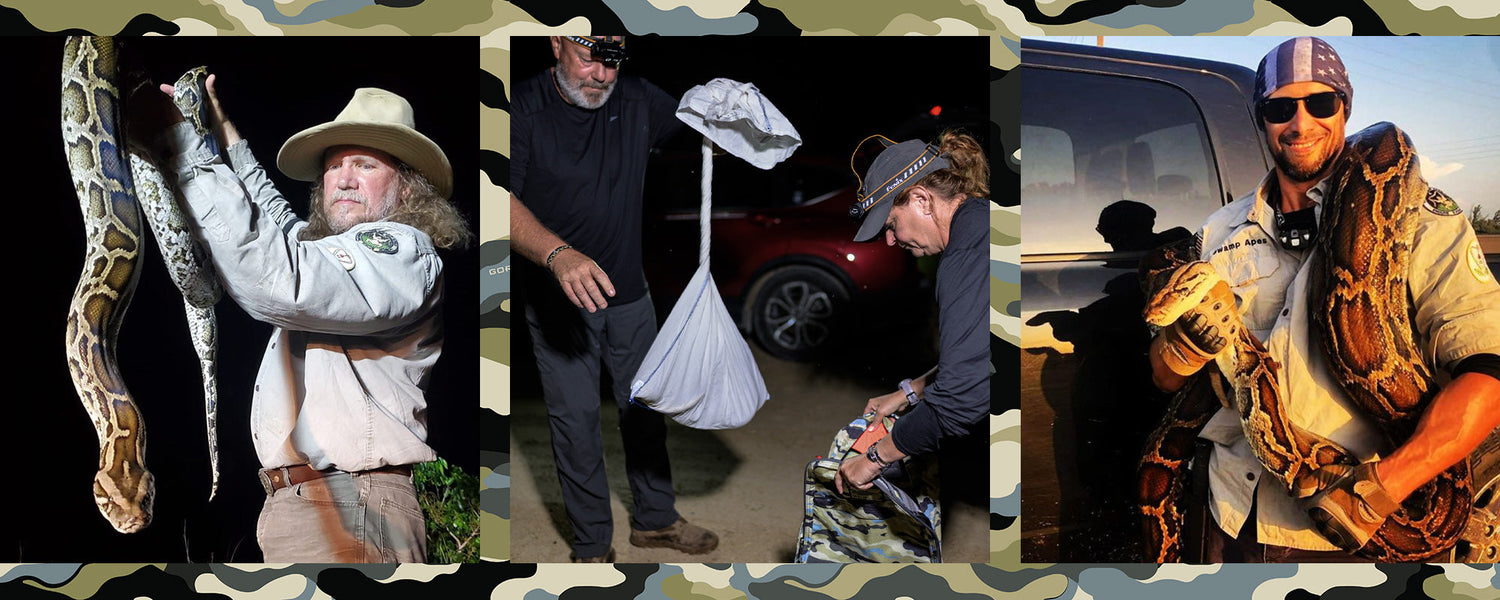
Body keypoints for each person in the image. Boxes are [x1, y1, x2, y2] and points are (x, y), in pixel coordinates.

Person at [1147, 36, 1500, 562]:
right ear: (1261, 118)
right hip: (1234, 513)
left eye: (1320, 103)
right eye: (1279, 107)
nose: (1300, 122)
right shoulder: (1220, 230)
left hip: (1345, 534)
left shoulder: (1420, 217)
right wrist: (1182, 348)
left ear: (1345, 108)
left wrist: (1376, 492)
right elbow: (1164, 379)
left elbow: (1488, 370)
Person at [134, 77, 472, 562]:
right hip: (302, 504)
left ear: (408, 184)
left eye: (365, 164)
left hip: (352, 505)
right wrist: (223, 134)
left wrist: (183, 144)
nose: (344, 178)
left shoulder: (399, 251)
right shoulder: (336, 256)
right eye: (334, 166)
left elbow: (279, 277)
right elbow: (274, 222)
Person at [509, 35, 718, 563]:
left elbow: (708, 121)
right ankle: (592, 544)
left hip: (629, 295)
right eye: (589, 59)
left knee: (645, 410)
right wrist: (558, 255)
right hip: (560, 301)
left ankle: (654, 520)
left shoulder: (639, 98)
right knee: (576, 423)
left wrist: (731, 103)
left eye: (614, 61)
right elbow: (497, 197)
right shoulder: (521, 107)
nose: (602, 75)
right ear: (556, 43)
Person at [835, 132, 992, 498]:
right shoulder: (980, 225)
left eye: (891, 224)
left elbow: (960, 400)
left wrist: (874, 458)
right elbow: (985, 357)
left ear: (922, 200)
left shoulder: (967, 257)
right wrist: (908, 392)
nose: (891, 241)